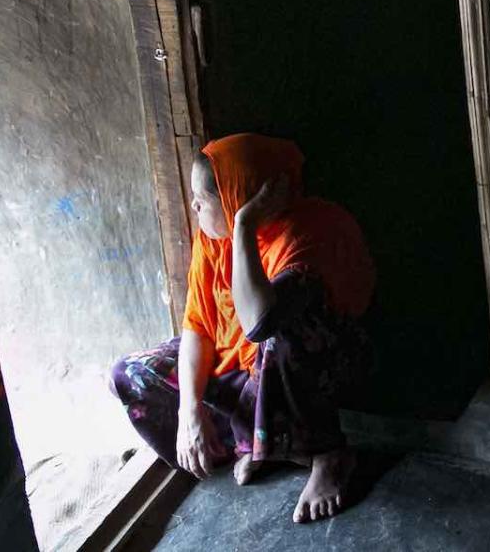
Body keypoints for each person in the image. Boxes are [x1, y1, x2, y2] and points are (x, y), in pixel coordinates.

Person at [109, 134, 375, 525]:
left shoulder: (310, 231)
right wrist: (189, 409)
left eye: (203, 199)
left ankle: (328, 455)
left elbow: (258, 323)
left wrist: (243, 227)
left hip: (307, 369)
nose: (194, 206)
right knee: (130, 373)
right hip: (245, 371)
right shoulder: (210, 240)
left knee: (279, 332)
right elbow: (198, 326)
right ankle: (263, 441)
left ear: (242, 198)